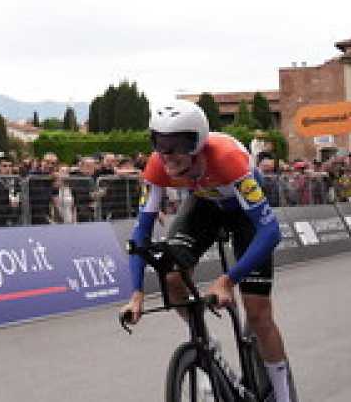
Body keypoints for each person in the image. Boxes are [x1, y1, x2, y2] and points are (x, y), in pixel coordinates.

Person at [121, 100, 291, 402]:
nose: (167, 154)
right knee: (171, 276)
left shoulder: (226, 158)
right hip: (204, 205)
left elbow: (270, 231)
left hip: (244, 213)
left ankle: (282, 394)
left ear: (197, 142)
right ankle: (206, 345)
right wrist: (135, 294)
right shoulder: (157, 165)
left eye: (175, 145)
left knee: (257, 312)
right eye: (159, 143)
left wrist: (228, 280)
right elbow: (141, 233)